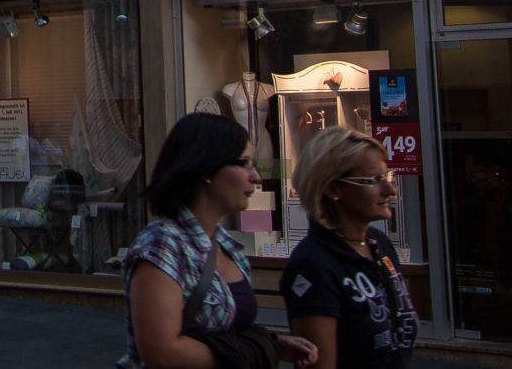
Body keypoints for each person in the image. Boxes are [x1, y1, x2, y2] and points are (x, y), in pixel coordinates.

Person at [121, 112, 318, 369]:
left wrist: (273, 342)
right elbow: (162, 353)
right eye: (244, 163)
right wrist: (257, 349)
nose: (256, 176)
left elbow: (228, 329)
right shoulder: (162, 245)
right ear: (206, 169)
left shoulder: (226, 245)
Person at [282, 127, 420, 368]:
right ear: (333, 189)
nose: (390, 190)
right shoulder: (314, 264)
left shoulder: (379, 243)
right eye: (373, 180)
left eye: (387, 177)